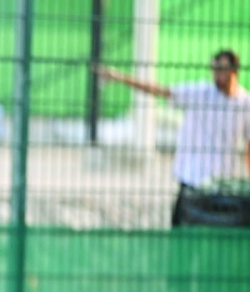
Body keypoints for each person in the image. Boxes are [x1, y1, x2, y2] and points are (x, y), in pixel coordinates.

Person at [94, 49, 250, 226]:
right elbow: (160, 91)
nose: (217, 74)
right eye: (214, 69)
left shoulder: (245, 103)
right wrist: (119, 77)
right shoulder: (200, 93)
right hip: (191, 179)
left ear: (234, 70)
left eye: (222, 69)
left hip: (222, 185)